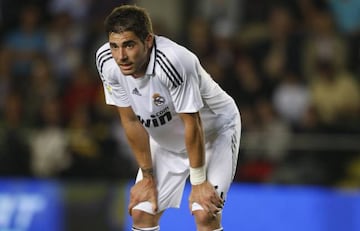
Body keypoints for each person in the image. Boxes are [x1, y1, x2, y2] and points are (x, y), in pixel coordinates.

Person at [95, 5, 241, 231]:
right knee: (142, 213)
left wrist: (199, 182)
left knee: (205, 213)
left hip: (214, 132)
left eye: (129, 45)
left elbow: (193, 123)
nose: (121, 56)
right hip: (165, 140)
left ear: (148, 40)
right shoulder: (107, 62)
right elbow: (131, 120)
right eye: (115, 46)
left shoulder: (174, 61)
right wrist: (147, 176)